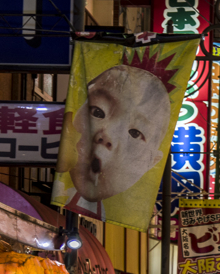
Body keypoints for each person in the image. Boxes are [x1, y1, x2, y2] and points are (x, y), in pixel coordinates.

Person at [57, 63, 173, 220]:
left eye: (135, 133)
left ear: (151, 163)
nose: (107, 135)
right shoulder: (59, 187)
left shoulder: (107, 215)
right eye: (97, 111)